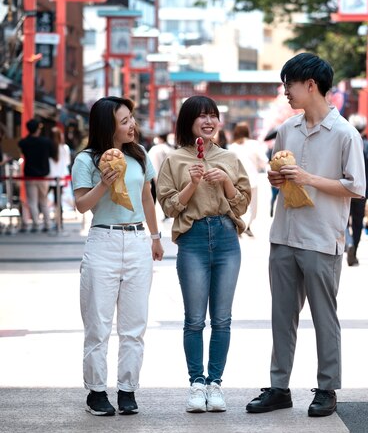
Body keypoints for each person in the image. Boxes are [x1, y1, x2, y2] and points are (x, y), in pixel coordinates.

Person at [246, 53, 365, 418]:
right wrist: (276, 178)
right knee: (282, 315)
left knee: (324, 315)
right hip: (284, 233)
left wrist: (309, 179)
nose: (286, 92)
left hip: (321, 237)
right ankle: (279, 387)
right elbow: (280, 176)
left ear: (310, 85)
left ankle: (327, 388)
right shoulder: (287, 130)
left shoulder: (345, 133)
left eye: (289, 85)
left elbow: (356, 187)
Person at [157, 95, 251, 413]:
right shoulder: (174, 161)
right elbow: (169, 206)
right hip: (193, 238)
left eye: (213, 116)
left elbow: (242, 204)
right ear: (188, 121)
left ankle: (216, 384)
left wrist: (225, 182)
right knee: (194, 319)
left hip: (226, 237)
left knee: (222, 319)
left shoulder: (229, 158)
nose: (208, 121)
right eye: (201, 116)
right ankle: (197, 383)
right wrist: (191, 185)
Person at [71, 96, 164, 416]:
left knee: (134, 324)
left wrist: (155, 237)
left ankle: (128, 390)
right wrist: (105, 184)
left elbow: (147, 199)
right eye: (124, 121)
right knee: (97, 323)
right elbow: (82, 205)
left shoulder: (139, 156)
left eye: (131, 119)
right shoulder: (87, 160)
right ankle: (96, 392)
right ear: (106, 126)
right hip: (103, 241)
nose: (131, 125)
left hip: (138, 241)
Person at [345, 114, 368, 266]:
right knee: (358, 221)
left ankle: (349, 242)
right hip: (361, 189)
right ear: (365, 128)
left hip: (343, 186)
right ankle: (355, 250)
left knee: (343, 220)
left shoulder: (345, 141)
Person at [229, 122, 268, 236]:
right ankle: (247, 226)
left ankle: (239, 225)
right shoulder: (254, 144)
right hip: (252, 179)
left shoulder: (232, 147)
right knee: (252, 205)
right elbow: (263, 161)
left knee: (237, 203)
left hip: (235, 180)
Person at [18, 118, 54, 233]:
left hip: (29, 176)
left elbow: (21, 146)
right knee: (43, 201)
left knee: (32, 201)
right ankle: (47, 224)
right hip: (43, 176)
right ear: (37, 129)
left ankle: (35, 224)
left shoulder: (24, 143)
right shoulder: (46, 142)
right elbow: (52, 154)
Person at [48, 126, 71, 229]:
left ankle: (52, 221)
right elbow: (67, 162)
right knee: (58, 201)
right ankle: (59, 222)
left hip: (49, 177)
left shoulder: (48, 147)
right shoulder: (64, 148)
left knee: (46, 200)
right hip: (60, 177)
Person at [147, 133, 174, 203]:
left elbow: (153, 167)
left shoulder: (155, 149)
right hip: (168, 181)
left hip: (157, 179)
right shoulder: (170, 148)